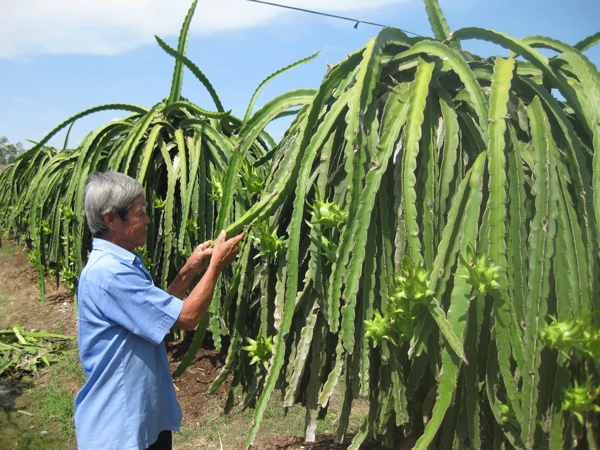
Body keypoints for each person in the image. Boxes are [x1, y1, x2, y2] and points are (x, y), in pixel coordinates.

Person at [73, 171, 245, 450]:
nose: (147, 220)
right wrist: (215, 267)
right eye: (139, 212)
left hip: (141, 419)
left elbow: (155, 314)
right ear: (111, 219)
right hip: (120, 430)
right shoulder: (110, 273)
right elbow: (186, 318)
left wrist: (188, 271)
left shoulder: (119, 263)